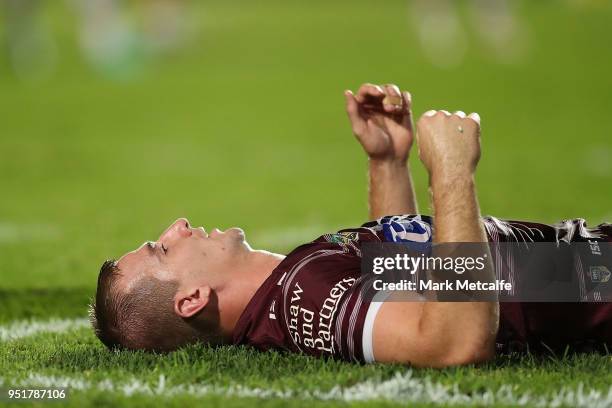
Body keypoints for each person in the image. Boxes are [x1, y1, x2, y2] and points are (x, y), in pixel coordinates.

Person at [90, 83, 611, 367]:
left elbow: (397, 273)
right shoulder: (301, 297)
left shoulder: (292, 290)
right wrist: (452, 173)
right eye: (163, 250)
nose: (177, 225)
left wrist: (388, 163)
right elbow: (454, 341)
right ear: (192, 299)